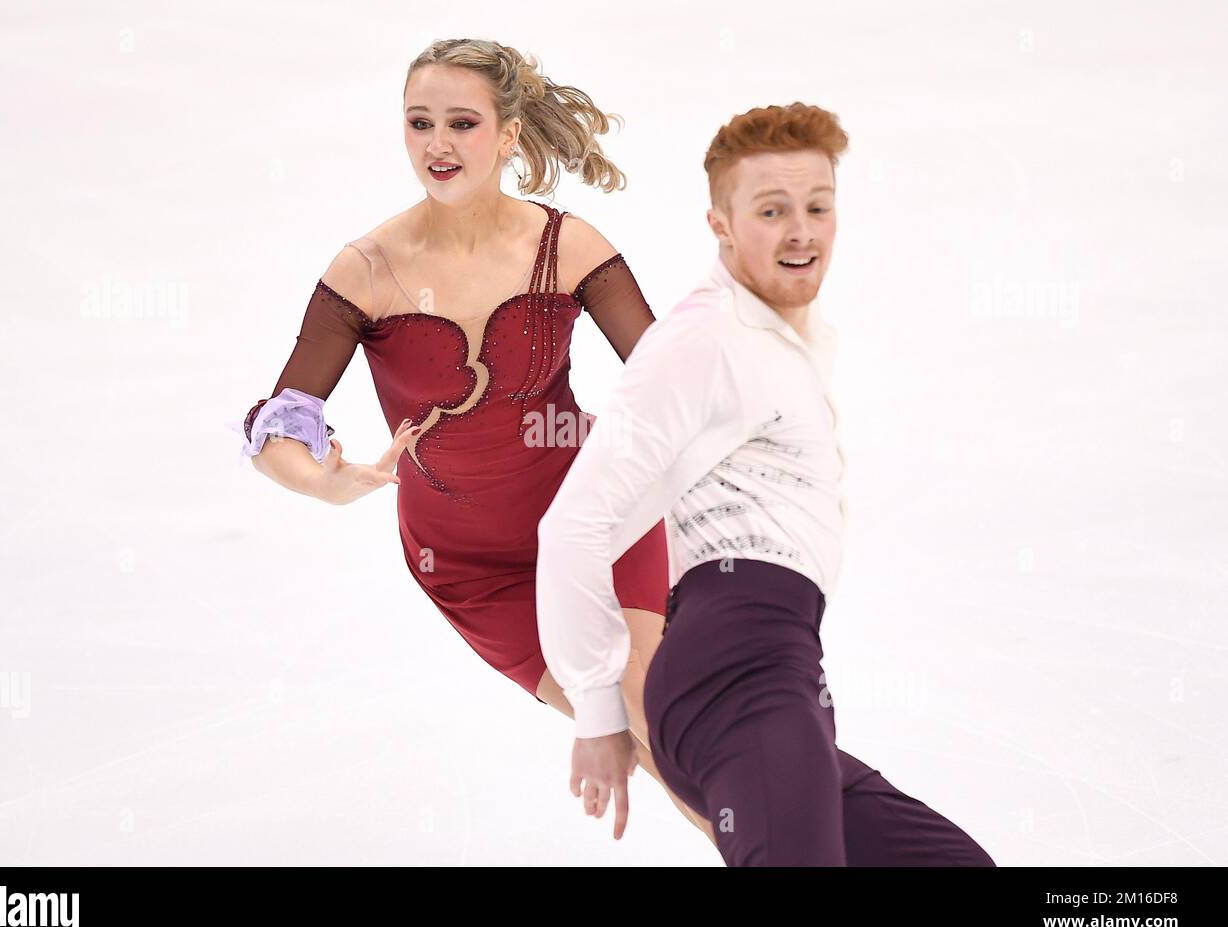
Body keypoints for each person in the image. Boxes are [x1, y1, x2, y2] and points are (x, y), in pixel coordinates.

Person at [239, 38, 715, 842]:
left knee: (656, 712)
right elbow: (279, 422)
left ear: (509, 133)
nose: (437, 144)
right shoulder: (365, 270)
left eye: (462, 122)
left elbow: (666, 377)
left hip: (593, 513)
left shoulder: (570, 250)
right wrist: (325, 482)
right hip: (470, 567)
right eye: (419, 122)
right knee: (645, 730)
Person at [536, 101, 997, 865]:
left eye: (818, 207)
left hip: (779, 670)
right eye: (772, 210)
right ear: (720, 222)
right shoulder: (703, 341)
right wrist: (597, 715)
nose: (801, 232)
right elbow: (575, 525)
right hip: (734, 674)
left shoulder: (783, 340)